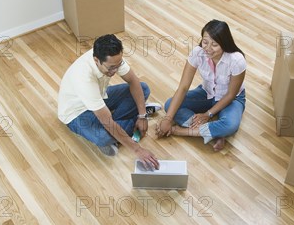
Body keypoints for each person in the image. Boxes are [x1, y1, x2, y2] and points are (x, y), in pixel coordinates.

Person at [58, 34, 159, 170]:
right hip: (77, 113)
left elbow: (133, 80)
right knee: (103, 138)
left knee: (143, 88)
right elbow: (107, 121)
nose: (115, 71)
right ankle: (125, 126)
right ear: (96, 60)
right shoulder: (84, 78)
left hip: (100, 96)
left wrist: (142, 115)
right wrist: (137, 149)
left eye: (119, 65)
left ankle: (129, 123)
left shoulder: (112, 58)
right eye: (111, 68)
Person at [157, 20, 246, 151]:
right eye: (205, 42)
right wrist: (167, 119)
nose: (208, 48)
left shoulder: (237, 60)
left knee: (230, 125)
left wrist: (207, 114)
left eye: (214, 44)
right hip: (207, 93)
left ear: (224, 43)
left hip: (230, 99)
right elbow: (183, 87)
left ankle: (182, 131)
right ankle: (215, 133)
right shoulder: (197, 53)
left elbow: (231, 94)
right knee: (170, 105)